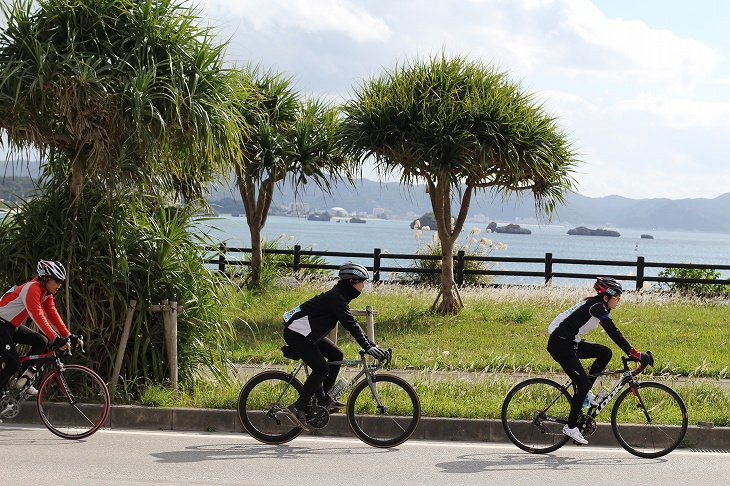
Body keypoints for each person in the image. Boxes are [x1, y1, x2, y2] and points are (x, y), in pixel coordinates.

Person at [546, 276, 653, 445]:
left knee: (605, 353)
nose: (618, 301)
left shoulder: (597, 305)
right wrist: (634, 353)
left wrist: (633, 353)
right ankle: (571, 426)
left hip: (571, 341)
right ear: (606, 297)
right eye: (616, 298)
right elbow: (613, 331)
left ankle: (587, 394)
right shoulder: (596, 307)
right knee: (583, 384)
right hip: (561, 345)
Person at [282, 262, 387, 430]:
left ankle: (323, 398)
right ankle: (298, 407)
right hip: (297, 334)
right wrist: (368, 346)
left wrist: (371, 345)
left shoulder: (339, 296)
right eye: (362, 282)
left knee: (337, 355)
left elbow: (352, 324)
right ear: (351, 281)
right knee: (321, 369)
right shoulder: (336, 298)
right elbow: (350, 324)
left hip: (307, 334)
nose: (364, 286)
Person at [0, 260, 80, 403]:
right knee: (12, 363)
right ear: (46, 278)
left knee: (41, 341)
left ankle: (22, 381)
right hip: (1, 324)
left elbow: (52, 314)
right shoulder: (32, 288)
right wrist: (55, 338)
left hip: (11, 326)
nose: (60, 285)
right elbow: (37, 315)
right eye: (58, 281)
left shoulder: (46, 293)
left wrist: (67, 335)